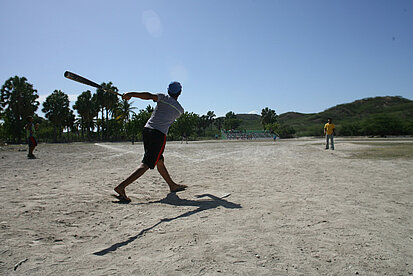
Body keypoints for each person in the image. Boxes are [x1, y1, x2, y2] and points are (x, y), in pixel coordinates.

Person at [114, 81, 187, 202]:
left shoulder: (162, 98)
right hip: (158, 135)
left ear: (168, 90)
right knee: (146, 164)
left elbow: (148, 96)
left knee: (159, 160)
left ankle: (172, 185)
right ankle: (121, 187)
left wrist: (130, 94)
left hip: (147, 130)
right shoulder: (180, 110)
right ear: (180, 92)